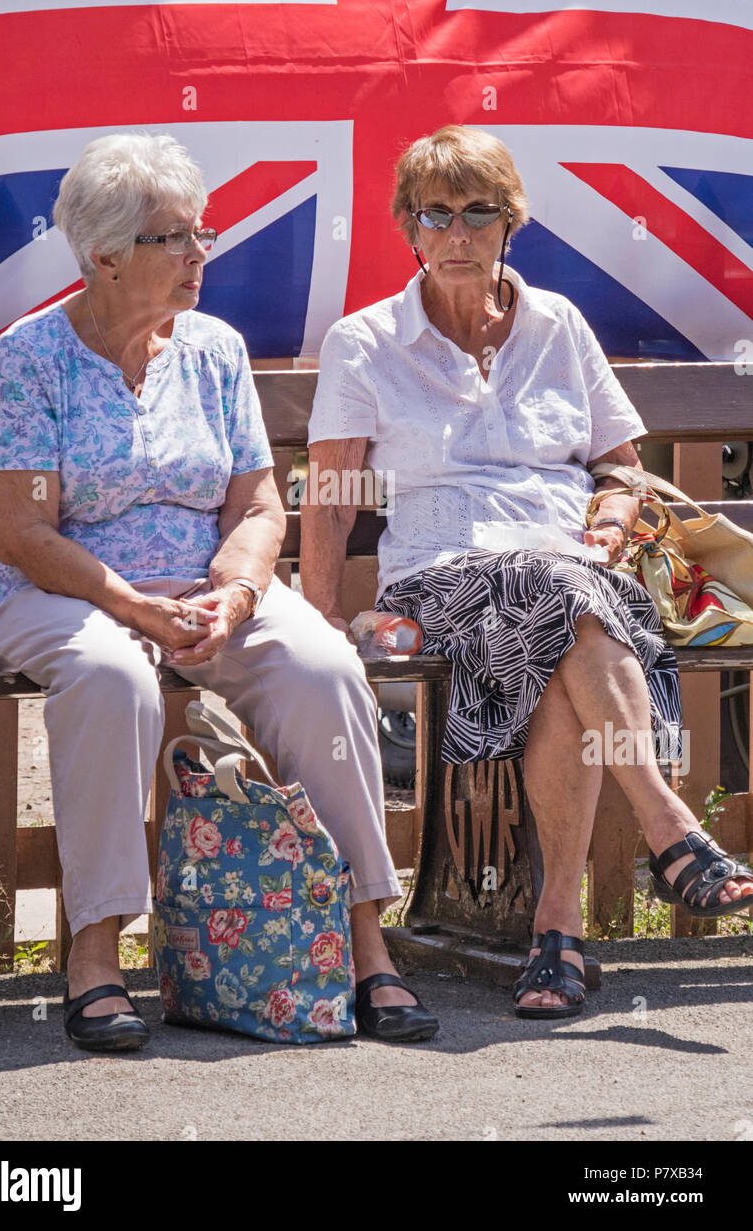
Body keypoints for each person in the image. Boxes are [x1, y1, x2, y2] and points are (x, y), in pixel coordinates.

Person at [0, 132, 438, 1050]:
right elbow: (19, 531)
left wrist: (238, 592)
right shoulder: (33, 358)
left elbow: (258, 503)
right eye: (172, 239)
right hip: (56, 595)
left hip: (201, 594)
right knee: (111, 674)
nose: (197, 256)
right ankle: (95, 953)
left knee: (324, 668)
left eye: (199, 234)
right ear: (102, 259)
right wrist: (131, 607)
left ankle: (364, 944)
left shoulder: (215, 350)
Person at [301, 124, 753, 1019]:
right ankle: (669, 829)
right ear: (407, 227)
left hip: (567, 573)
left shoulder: (556, 324)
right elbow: (333, 494)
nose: (458, 235)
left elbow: (617, 463)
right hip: (439, 576)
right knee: (567, 599)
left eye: (479, 213)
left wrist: (616, 510)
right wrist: (319, 624)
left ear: (511, 223)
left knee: (561, 623)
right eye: (437, 215)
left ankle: (556, 937)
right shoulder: (366, 341)